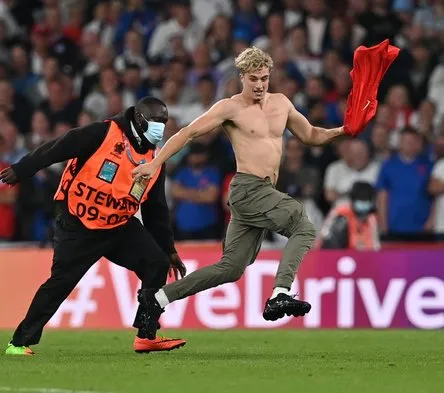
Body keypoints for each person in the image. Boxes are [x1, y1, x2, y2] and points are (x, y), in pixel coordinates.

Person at [132, 46, 347, 338]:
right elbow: (187, 133)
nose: (259, 84)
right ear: (242, 77)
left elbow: (310, 135)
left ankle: (156, 299)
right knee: (303, 226)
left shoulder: (282, 103)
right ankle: (280, 291)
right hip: (248, 188)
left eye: (264, 78)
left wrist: (342, 130)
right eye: (253, 78)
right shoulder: (229, 108)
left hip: (262, 192)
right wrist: (155, 163)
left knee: (231, 268)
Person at [0, 96, 187, 355]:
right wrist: (22, 169)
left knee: (157, 262)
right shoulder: (103, 133)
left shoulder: (155, 157)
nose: (161, 129)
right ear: (140, 119)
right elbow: (57, 147)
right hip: (78, 223)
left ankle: (147, 334)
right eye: (157, 122)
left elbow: (156, 209)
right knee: (61, 283)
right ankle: (19, 343)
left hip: (118, 224)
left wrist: (169, 249)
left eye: (164, 123)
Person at [315, 182, 381, 250]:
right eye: (360, 201)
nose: (363, 205)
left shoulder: (371, 218)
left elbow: (375, 246)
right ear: (352, 200)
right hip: (338, 255)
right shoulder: (340, 213)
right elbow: (324, 236)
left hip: (364, 256)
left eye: (366, 201)